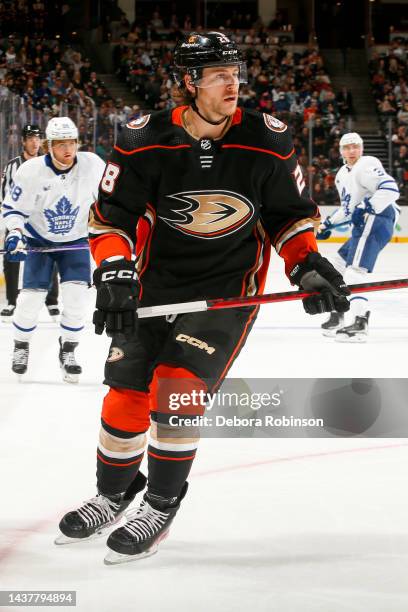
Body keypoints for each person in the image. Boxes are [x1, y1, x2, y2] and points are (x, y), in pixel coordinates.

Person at [56, 32, 350, 564]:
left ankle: (162, 503)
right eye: (218, 74)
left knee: (177, 388)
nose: (232, 82)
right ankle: (112, 493)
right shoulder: (144, 139)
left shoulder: (267, 139)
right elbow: (110, 218)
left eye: (235, 72)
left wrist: (306, 264)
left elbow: (289, 215)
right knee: (125, 394)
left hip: (226, 290)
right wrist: (116, 271)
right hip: (156, 285)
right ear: (189, 83)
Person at [2, 117, 106, 381]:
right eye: (60, 144)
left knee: (76, 299)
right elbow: (13, 208)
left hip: (76, 241)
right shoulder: (31, 170)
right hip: (39, 241)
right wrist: (14, 232)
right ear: (49, 146)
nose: (67, 149)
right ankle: (21, 345)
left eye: (71, 142)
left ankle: (68, 349)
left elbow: (110, 198)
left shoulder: (92, 165)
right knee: (29, 300)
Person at [318, 132, 400, 341]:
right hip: (366, 221)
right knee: (336, 264)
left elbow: (390, 190)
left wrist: (367, 206)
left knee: (354, 271)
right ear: (341, 151)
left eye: (355, 146)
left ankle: (360, 322)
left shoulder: (367, 164)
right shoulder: (341, 175)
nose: (352, 151)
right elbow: (348, 209)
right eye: (347, 147)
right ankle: (339, 312)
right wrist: (328, 224)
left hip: (377, 218)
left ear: (361, 148)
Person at [1, 124, 60, 322]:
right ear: (24, 141)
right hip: (19, 218)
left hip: (43, 221)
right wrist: (11, 221)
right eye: (31, 138)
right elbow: (5, 194)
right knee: (12, 256)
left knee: (50, 255)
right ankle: (11, 301)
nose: (35, 142)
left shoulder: (49, 164)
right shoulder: (12, 166)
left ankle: (51, 300)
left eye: (37, 138)